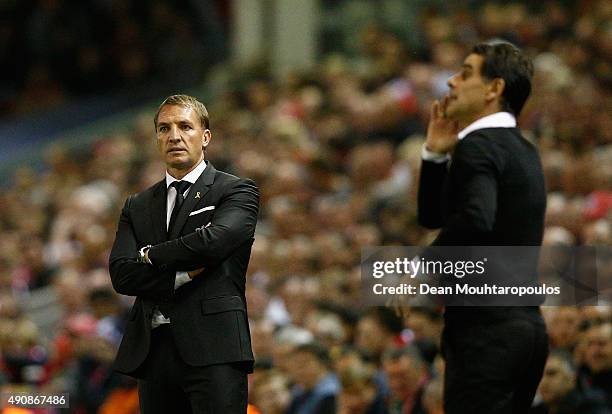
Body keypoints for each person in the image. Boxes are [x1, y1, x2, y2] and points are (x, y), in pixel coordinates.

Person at [417, 42, 549, 413]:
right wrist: (435, 155)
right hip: (526, 329)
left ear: (494, 89)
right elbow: (434, 217)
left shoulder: (478, 145)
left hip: (485, 332)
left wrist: (420, 267)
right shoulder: (523, 150)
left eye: (465, 73)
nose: (451, 81)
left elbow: (476, 218)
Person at [108, 94, 259, 413]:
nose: (174, 136)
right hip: (153, 351)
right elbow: (122, 274)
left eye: (184, 126)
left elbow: (215, 242)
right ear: (156, 138)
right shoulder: (137, 205)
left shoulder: (235, 190)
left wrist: (149, 255)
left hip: (215, 348)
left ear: (205, 137)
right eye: (164, 128)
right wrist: (178, 275)